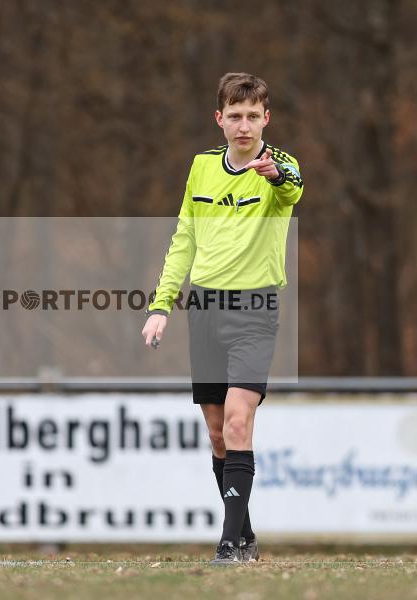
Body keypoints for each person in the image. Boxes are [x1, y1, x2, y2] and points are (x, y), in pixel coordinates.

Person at [141, 72, 303, 565]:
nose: (244, 125)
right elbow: (184, 237)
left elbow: (292, 189)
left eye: (253, 116)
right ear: (219, 119)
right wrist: (161, 305)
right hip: (205, 310)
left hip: (255, 310)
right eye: (235, 116)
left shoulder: (280, 167)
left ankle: (230, 546)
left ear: (266, 119)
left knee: (238, 420)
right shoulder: (202, 168)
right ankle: (246, 534)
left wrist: (277, 178)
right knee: (216, 432)